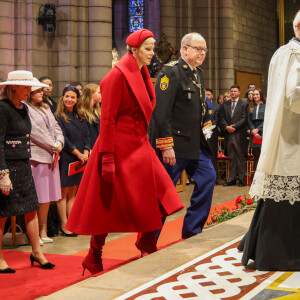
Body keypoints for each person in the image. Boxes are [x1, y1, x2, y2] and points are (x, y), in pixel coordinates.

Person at [65, 29, 184, 275]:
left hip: (139, 146)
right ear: (134, 49)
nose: (152, 53)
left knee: (163, 195)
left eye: (152, 48)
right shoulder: (116, 77)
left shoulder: (141, 73)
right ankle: (94, 256)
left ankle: (147, 240)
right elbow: (107, 121)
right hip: (117, 147)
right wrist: (107, 158)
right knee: (105, 203)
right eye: (148, 49)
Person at [238, 11, 300, 271]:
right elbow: (294, 95)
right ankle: (279, 254)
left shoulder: (284, 52)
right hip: (291, 136)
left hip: (288, 134)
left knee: (282, 194)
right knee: (287, 192)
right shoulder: (294, 54)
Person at [151, 32, 216, 239]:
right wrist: (166, 145)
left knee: (208, 177)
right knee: (164, 193)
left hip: (195, 143)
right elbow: (161, 113)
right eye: (198, 49)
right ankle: (149, 239)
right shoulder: (170, 72)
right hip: (175, 145)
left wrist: (206, 120)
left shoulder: (197, 73)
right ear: (184, 49)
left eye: (205, 50)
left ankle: (192, 229)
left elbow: (199, 106)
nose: (202, 53)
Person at [0, 71, 55, 273]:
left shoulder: (24, 108)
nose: (29, 91)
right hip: (6, 166)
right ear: (13, 87)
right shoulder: (2, 108)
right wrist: (2, 173)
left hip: (23, 164)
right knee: (3, 214)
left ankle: (37, 252)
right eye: (26, 87)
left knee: (31, 208)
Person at [24, 79, 64, 245]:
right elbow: (34, 131)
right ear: (31, 93)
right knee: (38, 195)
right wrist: (52, 144)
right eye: (38, 91)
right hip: (37, 156)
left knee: (47, 197)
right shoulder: (26, 108)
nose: (42, 93)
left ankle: (43, 230)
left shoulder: (46, 107)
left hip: (51, 156)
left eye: (42, 91)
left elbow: (56, 127)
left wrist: (59, 142)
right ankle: (33, 233)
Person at [55, 85, 91, 237]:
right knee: (64, 192)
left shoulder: (80, 115)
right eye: (67, 96)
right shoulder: (58, 116)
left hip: (81, 158)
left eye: (73, 97)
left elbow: (88, 135)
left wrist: (86, 151)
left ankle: (72, 222)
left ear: (77, 100)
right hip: (67, 156)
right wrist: (78, 153)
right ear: (63, 98)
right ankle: (64, 225)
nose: (69, 99)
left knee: (74, 191)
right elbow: (64, 139)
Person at [220, 85, 248, 187]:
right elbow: (221, 118)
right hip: (228, 134)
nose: (233, 93)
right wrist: (226, 127)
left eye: (235, 91)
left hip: (239, 134)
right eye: (231, 91)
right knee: (231, 157)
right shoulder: (225, 104)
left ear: (239, 92)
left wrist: (234, 126)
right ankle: (231, 179)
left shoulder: (244, 104)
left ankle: (241, 179)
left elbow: (244, 118)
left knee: (240, 158)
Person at [248, 89, 265, 172]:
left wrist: (258, 129)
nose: (255, 96)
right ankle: (255, 176)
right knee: (256, 155)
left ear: (260, 95)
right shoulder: (250, 106)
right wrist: (253, 130)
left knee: (263, 154)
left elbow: (267, 119)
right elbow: (248, 120)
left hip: (263, 131)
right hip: (253, 132)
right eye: (253, 95)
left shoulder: (266, 106)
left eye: (256, 94)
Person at [205, 88, 220, 184]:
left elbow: (217, 119)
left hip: (212, 132)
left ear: (212, 96)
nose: (207, 96)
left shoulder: (217, 106)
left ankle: (214, 177)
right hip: (201, 133)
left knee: (212, 155)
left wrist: (208, 126)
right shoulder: (200, 105)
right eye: (205, 94)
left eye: (208, 94)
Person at [81, 83, 101, 148]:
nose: (102, 95)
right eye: (99, 93)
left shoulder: (97, 110)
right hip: (90, 148)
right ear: (91, 94)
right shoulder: (81, 111)